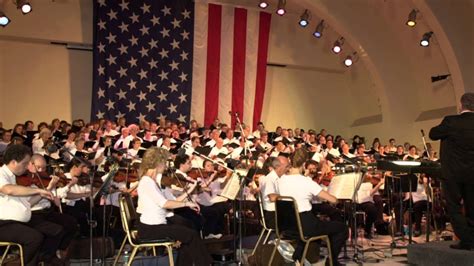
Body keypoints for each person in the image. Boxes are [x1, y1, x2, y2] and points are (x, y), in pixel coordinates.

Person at [136, 147, 212, 266]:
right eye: (165, 162)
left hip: (157, 224)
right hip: (150, 228)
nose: (166, 165)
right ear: (158, 163)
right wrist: (187, 203)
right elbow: (165, 203)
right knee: (190, 235)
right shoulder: (146, 182)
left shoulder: (153, 181)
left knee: (188, 233)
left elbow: (172, 201)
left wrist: (187, 202)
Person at [277, 148, 348, 266]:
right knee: (342, 228)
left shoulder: (281, 179)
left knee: (314, 222)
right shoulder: (307, 182)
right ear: (305, 164)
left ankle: (297, 258)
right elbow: (333, 200)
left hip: (287, 225)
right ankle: (331, 262)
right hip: (306, 226)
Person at [429, 92, 474, 250]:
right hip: (472, 174)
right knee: (472, 206)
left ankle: (467, 239)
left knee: (454, 207)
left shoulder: (451, 121)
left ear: (461, 105)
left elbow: (433, 134)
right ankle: (472, 238)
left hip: (453, 174)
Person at [0, 144, 56, 265]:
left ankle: (43, 260)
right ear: (14, 162)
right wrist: (38, 190)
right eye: (25, 164)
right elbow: (7, 189)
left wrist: (42, 194)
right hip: (3, 224)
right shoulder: (1, 174)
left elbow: (27, 204)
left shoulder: (13, 177)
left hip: (14, 222)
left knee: (49, 231)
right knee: (34, 238)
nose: (27, 167)